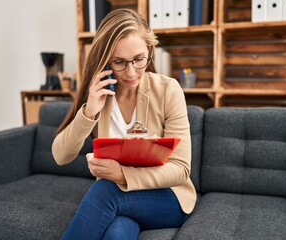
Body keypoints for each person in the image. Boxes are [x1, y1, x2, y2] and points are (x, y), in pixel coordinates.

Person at [52, 8, 196, 240]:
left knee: (105, 192)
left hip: (167, 197)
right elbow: (61, 156)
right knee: (118, 233)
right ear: (106, 60)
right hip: (122, 201)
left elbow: (180, 169)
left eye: (139, 59)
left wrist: (122, 175)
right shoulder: (99, 94)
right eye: (119, 62)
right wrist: (89, 112)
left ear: (149, 51)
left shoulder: (168, 89)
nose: (130, 72)